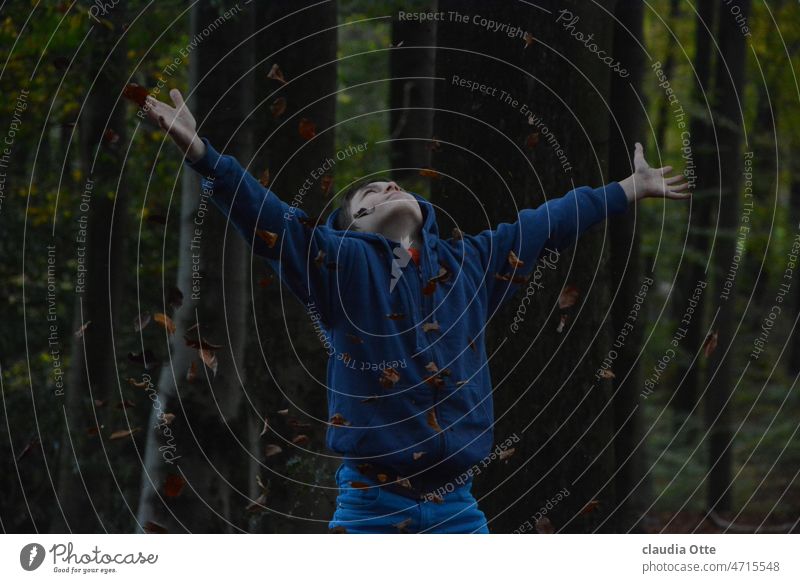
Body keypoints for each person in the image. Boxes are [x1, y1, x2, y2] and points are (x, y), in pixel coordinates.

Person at [145, 88, 691, 534]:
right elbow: (273, 224)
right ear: (351, 230)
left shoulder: (470, 263)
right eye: (366, 200)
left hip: (458, 511)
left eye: (390, 185)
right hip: (371, 511)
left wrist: (626, 189)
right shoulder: (343, 270)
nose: (384, 188)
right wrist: (203, 154)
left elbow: (544, 224)